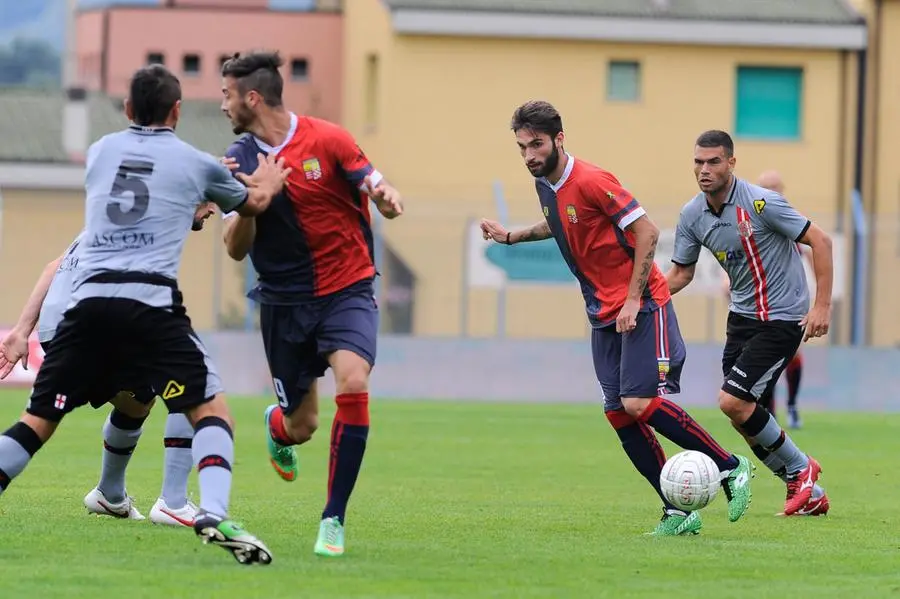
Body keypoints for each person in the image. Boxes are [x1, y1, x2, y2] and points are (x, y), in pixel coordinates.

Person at [0, 63, 290, 564]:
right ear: (178, 111)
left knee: (38, 422)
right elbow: (253, 204)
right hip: (149, 305)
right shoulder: (195, 163)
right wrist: (268, 181)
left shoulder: (100, 152)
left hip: (85, 308)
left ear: (128, 109)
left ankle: (114, 494)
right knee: (209, 410)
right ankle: (211, 512)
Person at [480, 100, 753, 536]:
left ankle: (731, 466)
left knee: (639, 403)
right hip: (602, 313)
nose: (529, 154)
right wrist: (513, 236)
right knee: (618, 413)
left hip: (641, 304)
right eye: (522, 147)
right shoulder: (546, 185)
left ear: (559, 139)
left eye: (537, 144)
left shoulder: (591, 179)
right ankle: (677, 511)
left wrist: (631, 299)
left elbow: (646, 231)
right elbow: (562, 223)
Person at [218, 51, 403, 557]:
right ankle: (277, 427)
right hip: (283, 303)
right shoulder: (236, 161)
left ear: (252, 97)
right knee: (302, 426)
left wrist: (386, 198)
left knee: (355, 382)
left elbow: (374, 182)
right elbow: (234, 247)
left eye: (226, 95)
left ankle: (333, 521)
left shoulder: (329, 138)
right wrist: (257, 200)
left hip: (348, 289)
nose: (222, 105)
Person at [0, 202, 218, 526]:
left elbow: (53, 268)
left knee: (135, 401)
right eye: (209, 198)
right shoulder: (157, 219)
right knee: (192, 381)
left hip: (59, 327)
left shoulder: (110, 220)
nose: (213, 209)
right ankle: (173, 501)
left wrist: (21, 331)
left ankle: (110, 494)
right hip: (92, 324)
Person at [667, 130, 830, 517]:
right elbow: (680, 274)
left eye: (713, 162)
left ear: (731, 163)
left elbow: (821, 241)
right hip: (741, 317)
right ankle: (812, 492)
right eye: (698, 162)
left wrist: (822, 306)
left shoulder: (762, 203)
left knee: (733, 401)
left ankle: (801, 468)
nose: (704, 170)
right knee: (740, 415)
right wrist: (639, 295)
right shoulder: (692, 215)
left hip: (783, 316)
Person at [756, 171, 806, 429]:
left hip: (789, 302)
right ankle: (770, 414)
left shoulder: (789, 221)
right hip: (760, 302)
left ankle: (793, 405)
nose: (771, 192)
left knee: (792, 355)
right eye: (766, 187)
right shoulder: (752, 219)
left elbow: (808, 250)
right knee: (764, 359)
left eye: (775, 187)